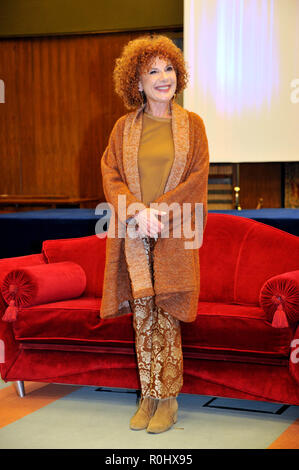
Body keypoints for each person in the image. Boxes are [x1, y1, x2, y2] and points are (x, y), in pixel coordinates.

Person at [100, 34, 210, 434]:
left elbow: (198, 180)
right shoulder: (123, 128)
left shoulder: (192, 125)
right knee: (142, 316)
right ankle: (148, 394)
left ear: (178, 74)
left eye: (168, 69)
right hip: (133, 232)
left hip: (174, 232)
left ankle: (169, 399)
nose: (163, 77)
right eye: (152, 71)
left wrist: (157, 213)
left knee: (167, 315)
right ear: (137, 82)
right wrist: (136, 211)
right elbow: (110, 174)